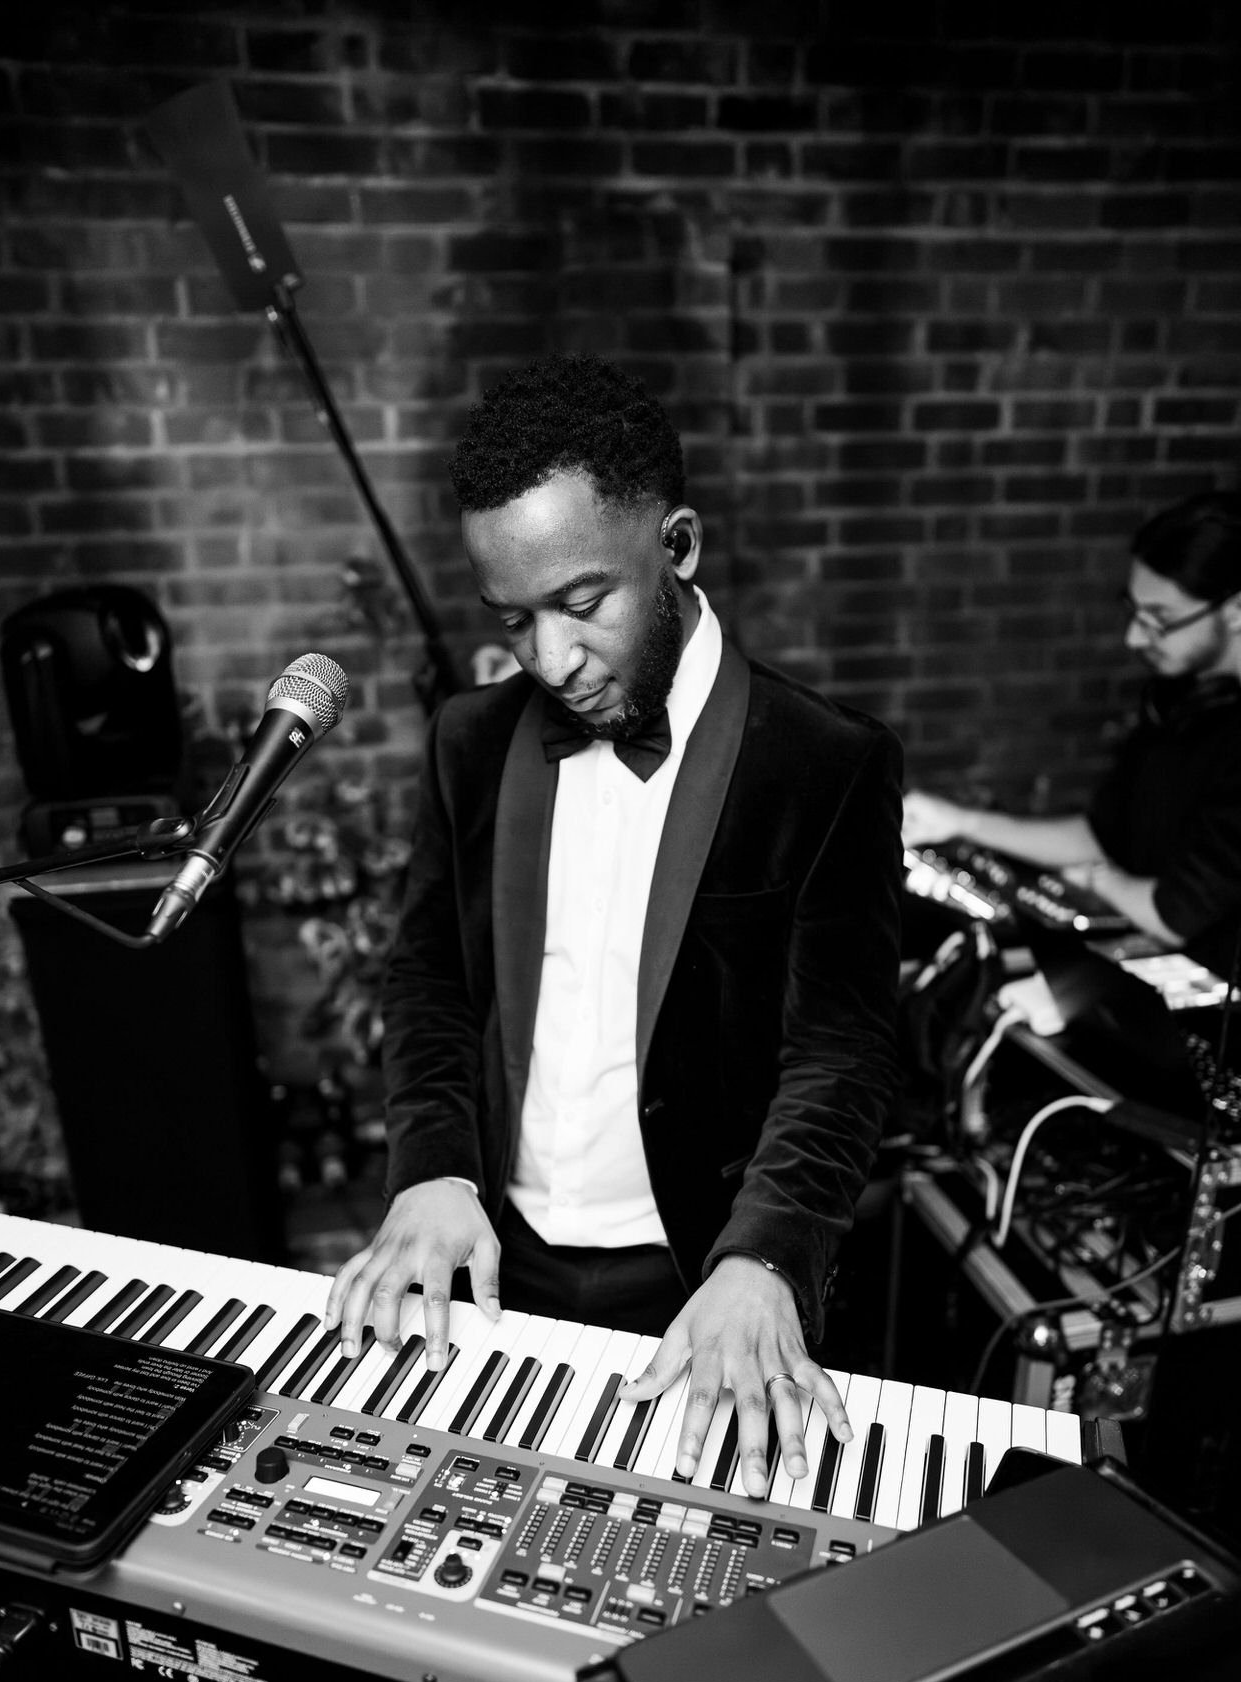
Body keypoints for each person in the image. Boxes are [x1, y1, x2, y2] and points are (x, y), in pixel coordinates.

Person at [324, 353, 903, 1499]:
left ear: (675, 548)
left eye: (582, 605)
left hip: (701, 1276)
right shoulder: (469, 742)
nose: (548, 660)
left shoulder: (823, 765)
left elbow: (839, 1051)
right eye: (513, 620)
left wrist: (766, 1258)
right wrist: (431, 1174)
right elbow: (430, 980)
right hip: (496, 1266)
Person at [903, 490, 1241, 980]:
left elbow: (1170, 916)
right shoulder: (1181, 701)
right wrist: (957, 822)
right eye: (1133, 610)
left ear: (1234, 610)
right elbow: (1101, 835)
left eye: (1160, 621)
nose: (1134, 638)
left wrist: (1094, 882)